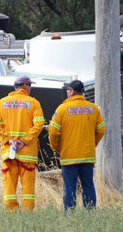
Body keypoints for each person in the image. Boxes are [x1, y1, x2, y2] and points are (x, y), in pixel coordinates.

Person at [48, 80, 105, 211]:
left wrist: (57, 147)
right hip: (87, 155)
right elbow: (101, 130)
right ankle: (90, 213)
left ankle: (70, 215)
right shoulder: (93, 108)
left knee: (69, 187)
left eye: (67, 90)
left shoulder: (62, 109)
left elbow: (53, 132)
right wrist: (91, 144)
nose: (67, 92)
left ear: (72, 91)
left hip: (69, 156)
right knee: (88, 185)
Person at [0, 75, 45, 211]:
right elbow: (39, 124)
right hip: (27, 153)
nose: (30, 89)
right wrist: (24, 141)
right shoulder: (33, 103)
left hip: (9, 153)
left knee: (9, 188)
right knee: (28, 189)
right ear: (25, 86)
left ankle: (10, 215)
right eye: (30, 86)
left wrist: (9, 140)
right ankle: (27, 216)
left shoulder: (2, 102)